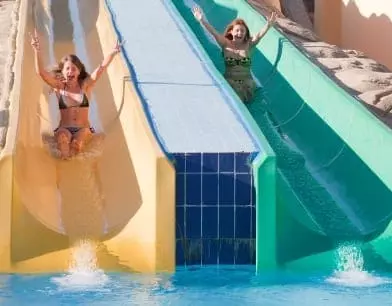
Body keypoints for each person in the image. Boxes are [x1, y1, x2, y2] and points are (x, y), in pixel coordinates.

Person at [30, 28, 123, 159]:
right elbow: (41, 73)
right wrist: (36, 50)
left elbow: (101, 69)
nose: (70, 71)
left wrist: (113, 53)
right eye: (67, 69)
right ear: (62, 72)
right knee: (63, 139)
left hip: (83, 129)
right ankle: (65, 161)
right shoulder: (59, 87)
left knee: (76, 144)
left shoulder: (85, 86)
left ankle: (71, 156)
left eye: (73, 69)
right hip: (64, 128)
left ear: (79, 72)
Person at [192, 6, 276, 103]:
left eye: (242, 31)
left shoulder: (248, 44)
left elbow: (259, 35)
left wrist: (268, 25)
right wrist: (202, 20)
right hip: (230, 82)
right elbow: (213, 32)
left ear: (245, 34)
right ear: (231, 32)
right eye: (237, 30)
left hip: (247, 84)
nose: (239, 33)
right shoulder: (225, 44)